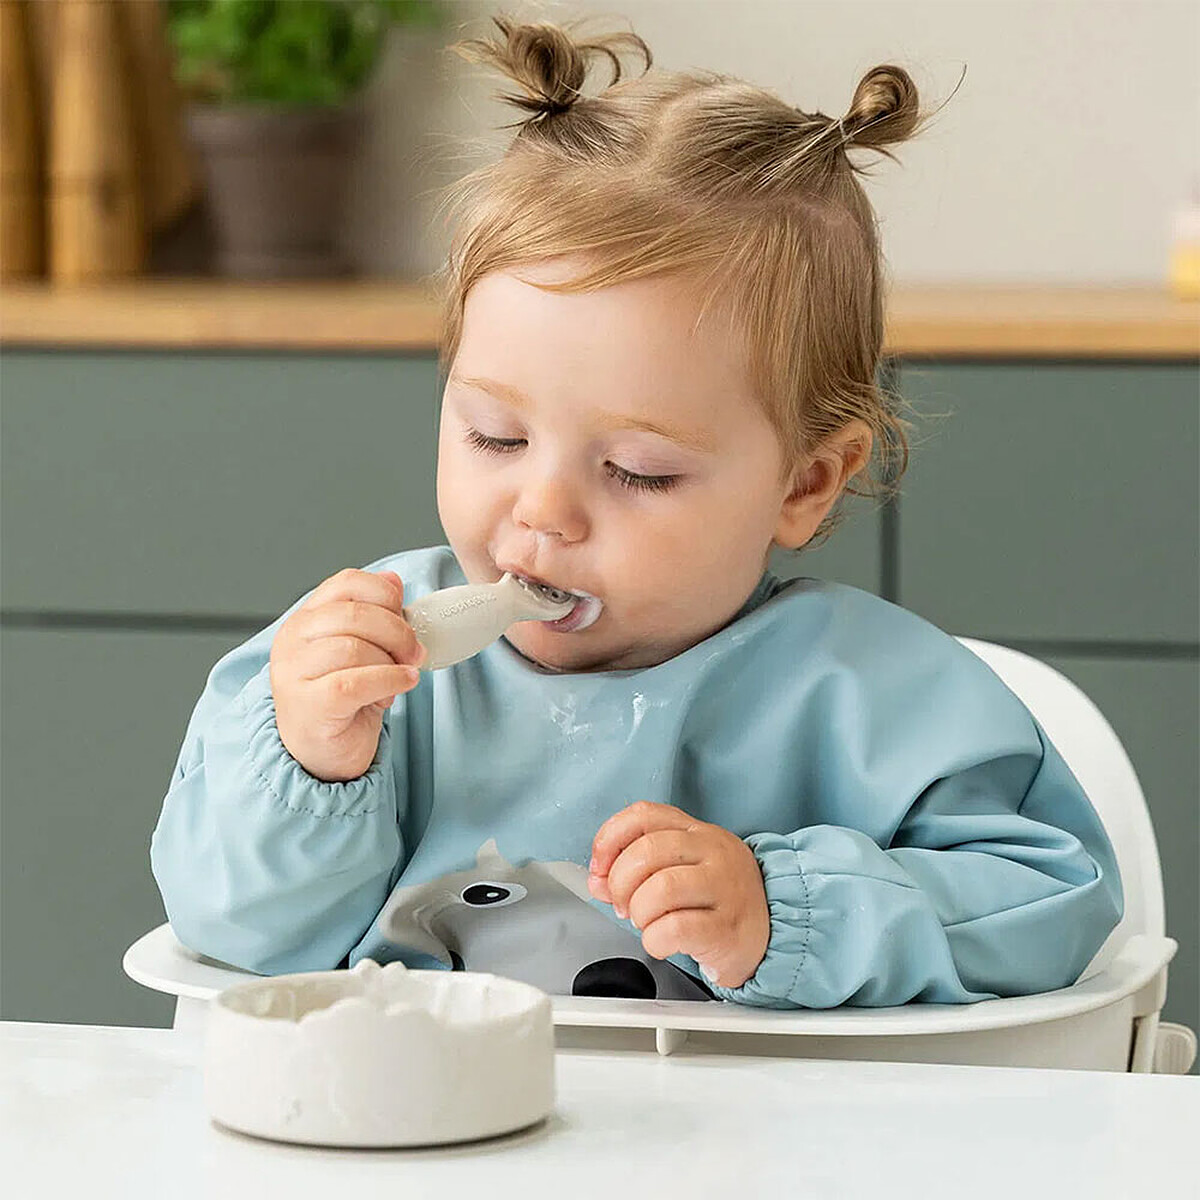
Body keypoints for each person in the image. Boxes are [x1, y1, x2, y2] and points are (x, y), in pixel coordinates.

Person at [150, 16, 1121, 1008]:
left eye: (638, 471)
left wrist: (788, 911)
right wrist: (309, 771)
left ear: (805, 483)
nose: (543, 509)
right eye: (496, 435)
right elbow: (231, 936)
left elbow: (1055, 901)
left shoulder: (876, 699)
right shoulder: (367, 678)